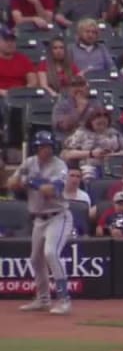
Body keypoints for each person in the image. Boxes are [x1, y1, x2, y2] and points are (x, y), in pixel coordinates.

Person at [8, 131, 74, 315]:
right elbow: (11, 182)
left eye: (49, 146)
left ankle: (64, 300)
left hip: (58, 216)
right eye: (42, 147)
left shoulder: (59, 165)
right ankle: (43, 299)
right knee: (36, 259)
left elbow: (51, 190)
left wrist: (29, 181)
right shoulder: (29, 162)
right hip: (38, 218)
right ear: (36, 148)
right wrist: (21, 180)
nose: (46, 150)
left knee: (51, 253)